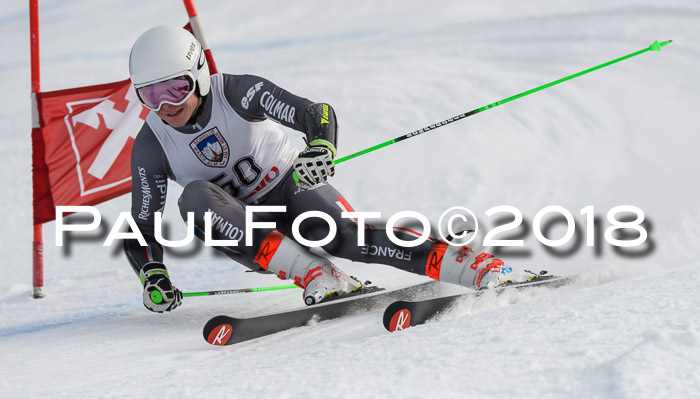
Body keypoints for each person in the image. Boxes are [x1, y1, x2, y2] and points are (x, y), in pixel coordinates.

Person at [124, 26, 536, 313]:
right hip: (244, 230)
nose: (165, 105)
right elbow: (142, 225)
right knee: (193, 197)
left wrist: (320, 144)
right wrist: (152, 274)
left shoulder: (237, 91)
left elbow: (314, 112)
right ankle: (316, 275)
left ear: (197, 75)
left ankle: (476, 266)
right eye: (150, 95)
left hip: (291, 187)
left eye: (174, 88)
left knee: (345, 237)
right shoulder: (151, 144)